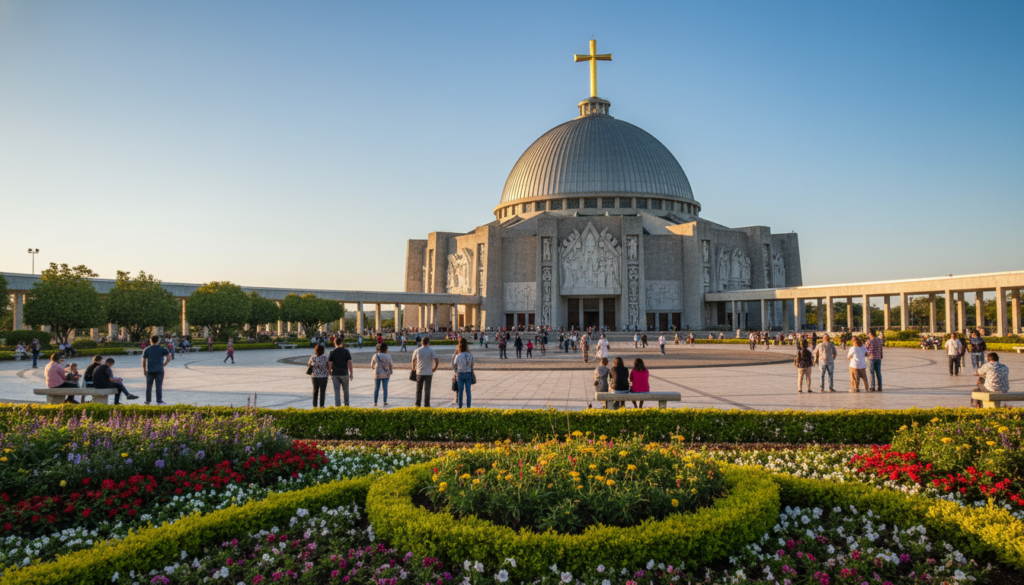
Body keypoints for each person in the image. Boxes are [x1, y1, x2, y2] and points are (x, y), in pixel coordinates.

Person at [142, 335, 171, 405]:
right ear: (158, 341)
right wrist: (165, 363)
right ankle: (159, 400)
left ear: (150, 341)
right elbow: (169, 356)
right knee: (159, 385)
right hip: (160, 370)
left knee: (149, 386)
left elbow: (143, 361)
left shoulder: (147, 349)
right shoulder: (162, 349)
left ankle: (148, 400)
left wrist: (144, 369)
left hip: (150, 370)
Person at [411, 337, 439, 407]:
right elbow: (436, 360)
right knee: (427, 390)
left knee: (418, 389)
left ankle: (417, 404)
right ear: (428, 343)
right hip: (428, 373)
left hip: (419, 372)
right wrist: (435, 367)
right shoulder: (431, 351)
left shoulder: (417, 350)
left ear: (421, 342)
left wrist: (413, 368)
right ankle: (426, 405)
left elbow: (413, 360)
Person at [328, 338, 354, 407]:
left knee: (337, 391)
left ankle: (338, 406)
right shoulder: (346, 351)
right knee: (346, 390)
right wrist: (351, 373)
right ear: (342, 343)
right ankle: (346, 405)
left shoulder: (332, 352)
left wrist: (330, 370)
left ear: (335, 343)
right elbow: (350, 363)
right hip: (344, 373)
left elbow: (330, 363)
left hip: (335, 374)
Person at [452, 338, 474, 408]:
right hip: (468, 373)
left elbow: (455, 363)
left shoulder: (458, 356)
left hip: (460, 374)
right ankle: (468, 407)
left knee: (460, 392)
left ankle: (460, 406)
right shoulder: (470, 355)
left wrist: (456, 370)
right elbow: (472, 364)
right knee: (468, 392)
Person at [370, 343, 394, 407]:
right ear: (386, 349)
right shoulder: (388, 356)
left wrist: (376, 368)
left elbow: (372, 366)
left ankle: (375, 402)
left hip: (377, 374)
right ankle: (385, 401)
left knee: (376, 388)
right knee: (385, 388)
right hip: (386, 374)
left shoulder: (375, 356)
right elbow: (391, 365)